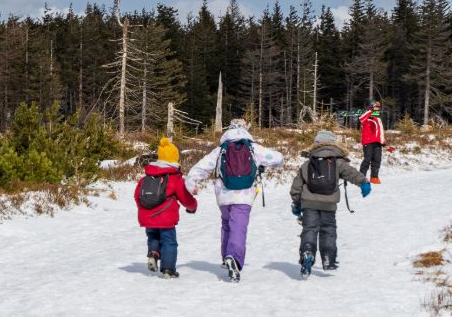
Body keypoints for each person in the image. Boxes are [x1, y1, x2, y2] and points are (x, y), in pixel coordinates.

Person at [185, 118, 285, 282]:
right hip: (244, 195)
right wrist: (274, 165)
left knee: (227, 224)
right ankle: (234, 258)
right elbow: (278, 157)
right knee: (239, 226)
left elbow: (199, 168)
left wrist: (191, 184)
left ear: (228, 130)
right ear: (245, 129)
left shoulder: (220, 150)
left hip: (223, 195)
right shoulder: (253, 147)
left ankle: (226, 257)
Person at [289, 130, 371, 278]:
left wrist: (296, 203)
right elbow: (351, 173)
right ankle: (328, 258)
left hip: (309, 204)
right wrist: (364, 183)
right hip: (329, 204)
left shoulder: (308, 163)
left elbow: (297, 185)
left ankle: (307, 252)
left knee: (309, 229)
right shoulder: (338, 161)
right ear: (333, 144)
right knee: (328, 230)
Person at [135, 137, 198, 279]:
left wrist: (144, 208)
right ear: (175, 159)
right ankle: (168, 269)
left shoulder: (146, 177)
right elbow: (185, 198)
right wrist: (193, 207)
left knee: (153, 236)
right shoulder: (175, 178)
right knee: (169, 241)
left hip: (148, 217)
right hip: (166, 218)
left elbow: (137, 195)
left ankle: (153, 253)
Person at [358, 100, 385, 184]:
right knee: (367, 159)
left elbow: (380, 131)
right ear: (371, 107)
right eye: (376, 107)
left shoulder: (377, 118)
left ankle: (374, 177)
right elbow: (361, 118)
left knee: (377, 160)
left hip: (377, 142)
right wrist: (370, 111)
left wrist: (382, 140)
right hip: (368, 141)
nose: (378, 108)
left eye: (378, 107)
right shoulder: (367, 116)